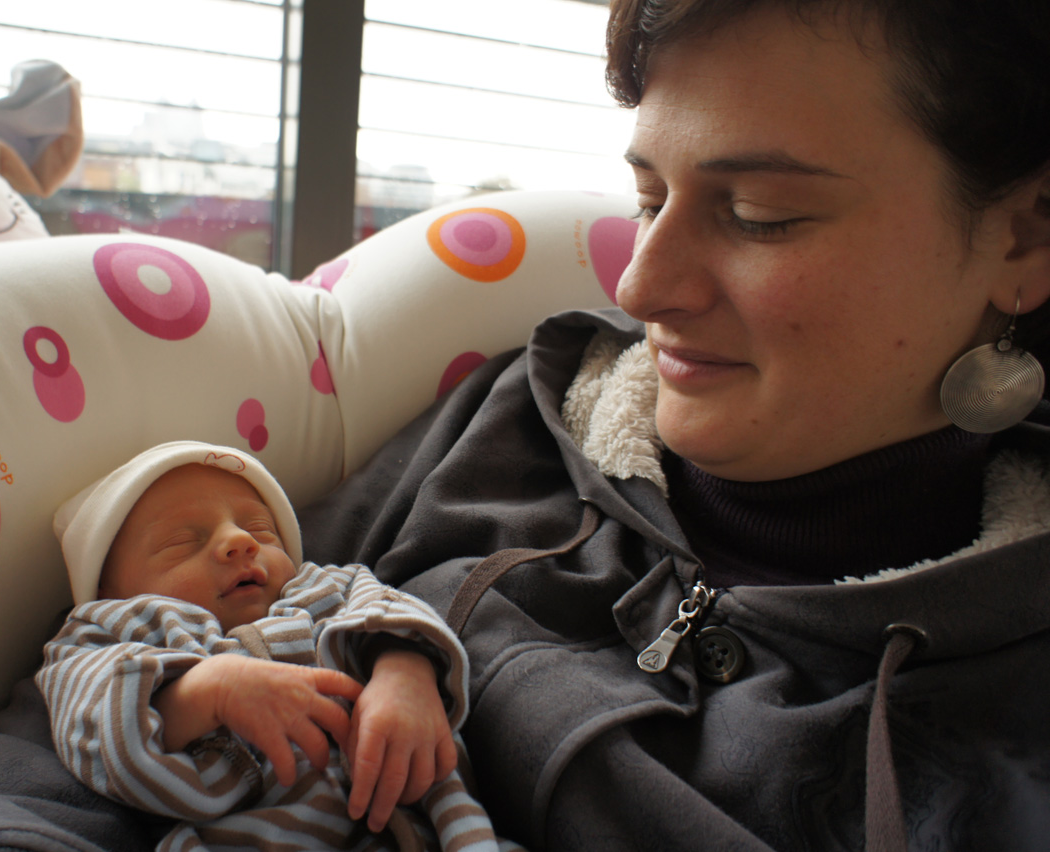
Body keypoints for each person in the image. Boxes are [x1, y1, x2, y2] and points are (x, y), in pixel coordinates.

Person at [293, 2, 1050, 851]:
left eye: (759, 213)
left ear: (1023, 238)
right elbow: (222, 628)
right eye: (649, 201)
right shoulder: (516, 416)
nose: (638, 289)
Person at [34, 441, 515, 852]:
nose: (239, 540)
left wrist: (404, 672)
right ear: (109, 593)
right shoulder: (109, 630)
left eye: (260, 528)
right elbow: (93, 718)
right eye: (182, 541)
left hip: (439, 830)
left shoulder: (323, 588)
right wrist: (210, 690)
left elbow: (392, 609)